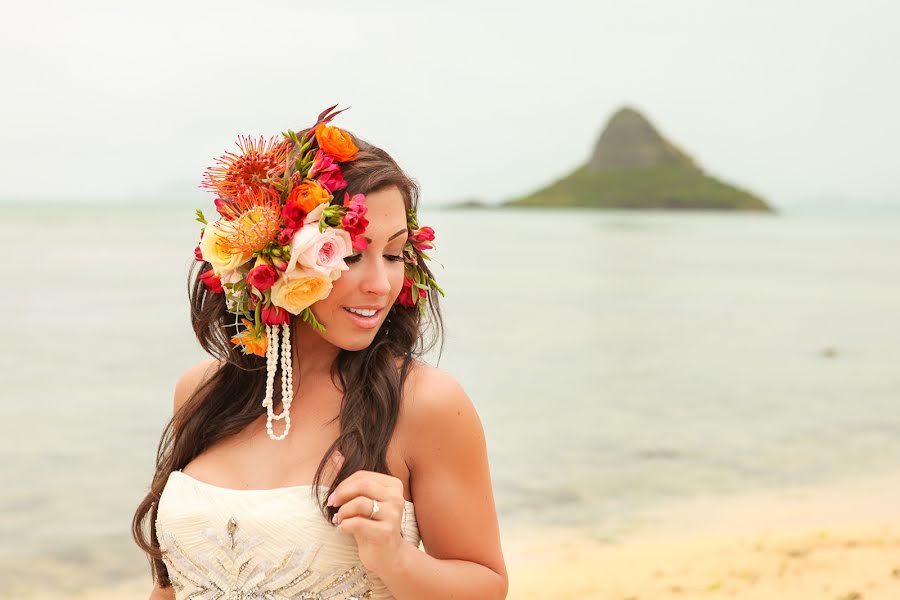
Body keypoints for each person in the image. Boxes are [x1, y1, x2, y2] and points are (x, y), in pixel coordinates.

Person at [131, 106, 508, 599]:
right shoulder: (202, 391)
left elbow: (487, 587)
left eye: (394, 255)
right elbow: (171, 587)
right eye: (351, 254)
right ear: (275, 259)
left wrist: (395, 559)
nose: (380, 284)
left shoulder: (424, 403)